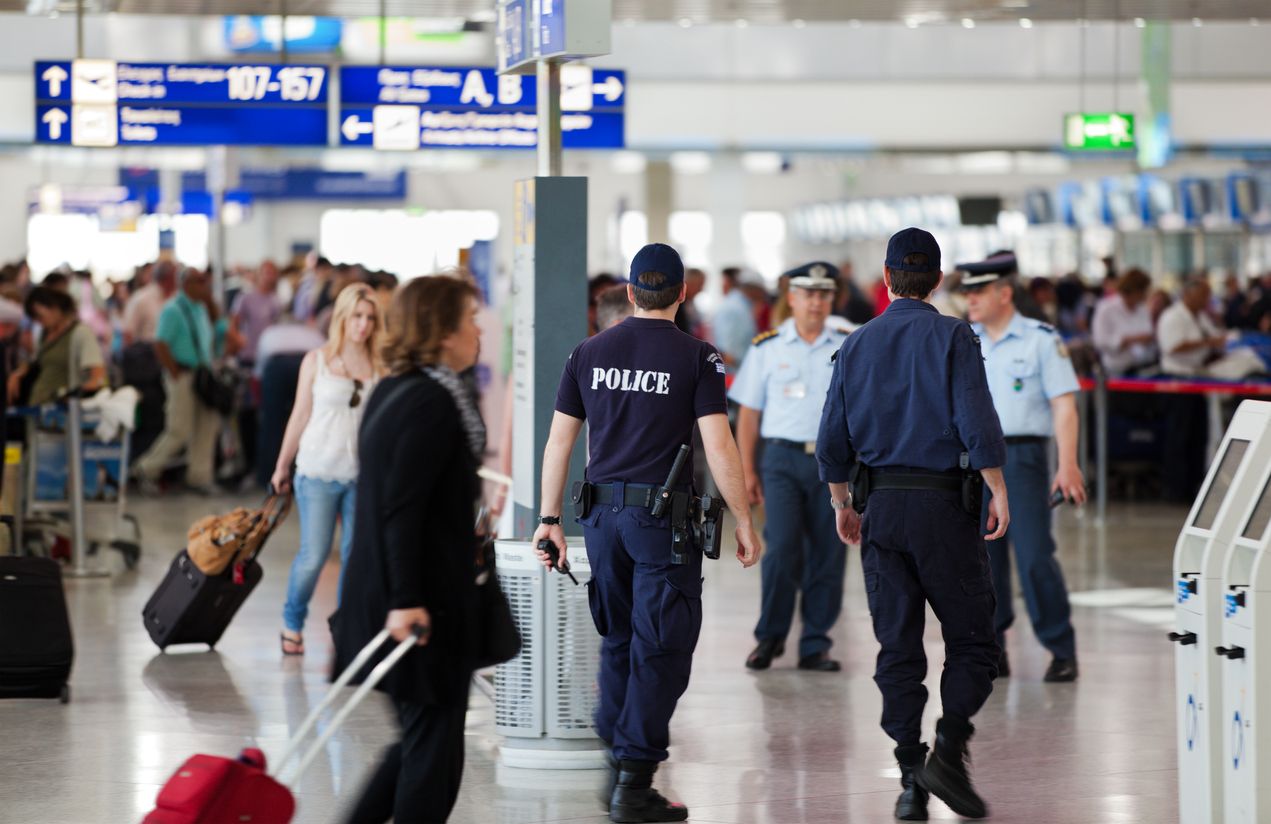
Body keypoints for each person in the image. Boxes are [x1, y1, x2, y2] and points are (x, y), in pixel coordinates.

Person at [532, 243, 761, 823]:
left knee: (618, 641)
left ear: (631, 292)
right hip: (662, 524)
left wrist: (549, 520)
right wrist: (744, 519)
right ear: (682, 294)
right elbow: (718, 443)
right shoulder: (699, 357)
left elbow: (559, 442)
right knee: (662, 647)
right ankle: (634, 782)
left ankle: (619, 758)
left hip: (601, 520)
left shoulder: (587, 352)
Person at [816, 227, 1009, 821]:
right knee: (973, 641)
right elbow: (977, 418)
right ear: (939, 279)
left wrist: (843, 504)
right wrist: (998, 489)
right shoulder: (955, 336)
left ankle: (910, 781)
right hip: (945, 510)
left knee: (898, 648)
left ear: (886, 276)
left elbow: (831, 441)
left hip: (881, 512)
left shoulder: (855, 344)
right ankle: (948, 749)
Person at [332, 274, 484, 824]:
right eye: (470, 320)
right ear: (442, 331)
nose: (479, 330)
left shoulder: (398, 388)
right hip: (416, 602)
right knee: (432, 754)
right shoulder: (430, 401)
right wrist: (405, 600)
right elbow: (401, 507)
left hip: (406, 592)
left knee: (424, 743)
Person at [958, 255, 1085, 684]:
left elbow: (1064, 405)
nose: (970, 299)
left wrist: (1067, 464)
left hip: (1022, 459)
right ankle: (993, 648)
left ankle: (1060, 647)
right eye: (967, 292)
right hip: (974, 462)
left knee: (1034, 557)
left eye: (978, 291)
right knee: (982, 561)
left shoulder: (1040, 340)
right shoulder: (964, 340)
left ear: (1004, 294)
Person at [730, 262, 848, 673]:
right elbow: (749, 414)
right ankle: (770, 637)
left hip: (832, 463)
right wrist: (747, 471)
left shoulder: (847, 342)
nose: (816, 302)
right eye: (808, 294)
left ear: (832, 299)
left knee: (829, 552)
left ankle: (816, 643)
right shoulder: (768, 347)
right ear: (792, 298)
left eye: (823, 294)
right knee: (781, 549)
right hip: (781, 460)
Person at [272, 284, 382, 656]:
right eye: (357, 316)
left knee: (355, 558)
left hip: (361, 477)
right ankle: (292, 621)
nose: (363, 325)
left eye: (370, 318)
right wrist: (282, 465)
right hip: (317, 472)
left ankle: (347, 628)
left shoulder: (380, 366)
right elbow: (300, 414)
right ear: (342, 318)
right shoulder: (316, 361)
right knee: (314, 555)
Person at [132, 267, 221, 495]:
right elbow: (160, 343)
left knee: (206, 426)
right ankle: (146, 468)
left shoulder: (201, 308)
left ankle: (199, 476)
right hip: (182, 374)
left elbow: (218, 324)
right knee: (179, 429)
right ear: (186, 284)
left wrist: (210, 301)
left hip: (201, 374)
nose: (204, 285)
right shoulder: (172, 309)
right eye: (199, 281)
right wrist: (174, 372)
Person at [1157, 277, 1226, 502]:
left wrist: (1216, 342)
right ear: (1188, 294)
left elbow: (1214, 338)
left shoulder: (1201, 317)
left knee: (1199, 435)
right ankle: (1175, 487)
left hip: (1197, 379)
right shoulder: (1172, 317)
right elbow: (1172, 347)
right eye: (1203, 295)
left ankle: (1195, 484)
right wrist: (1208, 343)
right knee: (1179, 436)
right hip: (1177, 380)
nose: (1206, 300)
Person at [7, 286, 105, 406]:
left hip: (63, 411)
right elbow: (38, 361)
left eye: (40, 316)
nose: (38, 322)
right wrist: (19, 373)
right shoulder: (44, 333)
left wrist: (72, 397)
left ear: (55, 308)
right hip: (39, 406)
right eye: (35, 318)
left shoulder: (81, 333)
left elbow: (97, 377)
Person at [1091, 268, 1157, 376]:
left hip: (1143, 367)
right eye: (1142, 292)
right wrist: (1128, 340)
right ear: (1133, 291)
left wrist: (1148, 339)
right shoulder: (1106, 308)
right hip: (1117, 370)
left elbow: (1148, 333)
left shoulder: (1142, 309)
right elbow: (1100, 341)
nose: (1145, 295)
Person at [230, 260, 283, 368]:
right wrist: (238, 341)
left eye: (273, 273)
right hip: (248, 355)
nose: (270, 277)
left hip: (268, 354)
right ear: (259, 274)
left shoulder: (276, 299)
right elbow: (233, 324)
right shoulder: (246, 297)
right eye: (267, 272)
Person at [711, 267, 764, 368]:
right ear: (753, 289)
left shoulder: (742, 306)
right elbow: (726, 352)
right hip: (734, 370)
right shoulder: (734, 307)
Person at [123, 261, 178, 345]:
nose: (178, 280)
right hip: (148, 349)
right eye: (176, 276)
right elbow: (128, 333)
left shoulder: (176, 297)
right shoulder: (141, 299)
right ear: (168, 278)